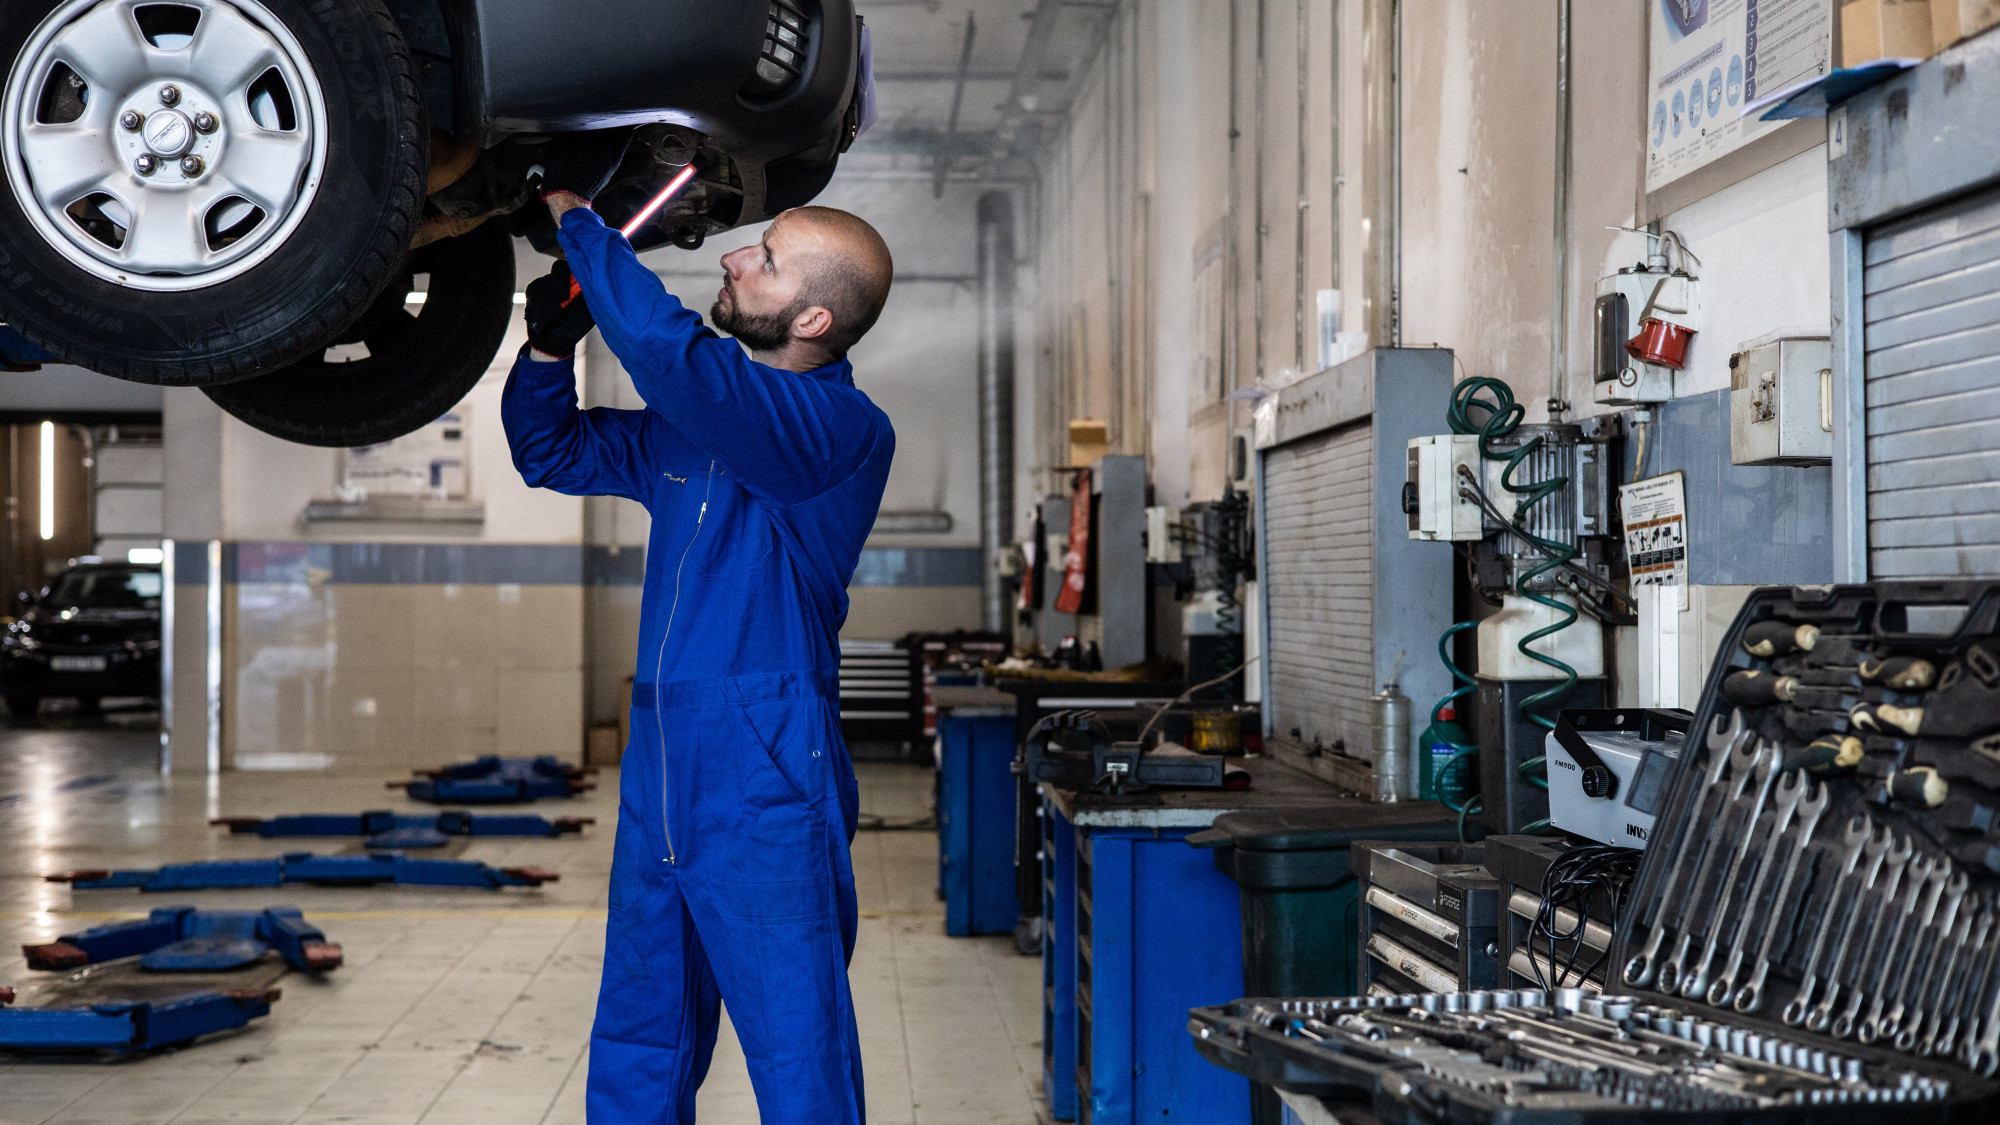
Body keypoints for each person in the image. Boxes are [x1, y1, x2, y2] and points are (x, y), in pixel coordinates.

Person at [501, 131, 895, 1124]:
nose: (731, 255)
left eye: (760, 257)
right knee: (639, 1031)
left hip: (764, 777)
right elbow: (550, 452)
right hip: (664, 771)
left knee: (796, 1050)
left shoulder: (837, 432)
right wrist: (547, 348)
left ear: (812, 316)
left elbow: (679, 363)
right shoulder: (695, 427)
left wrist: (579, 225)